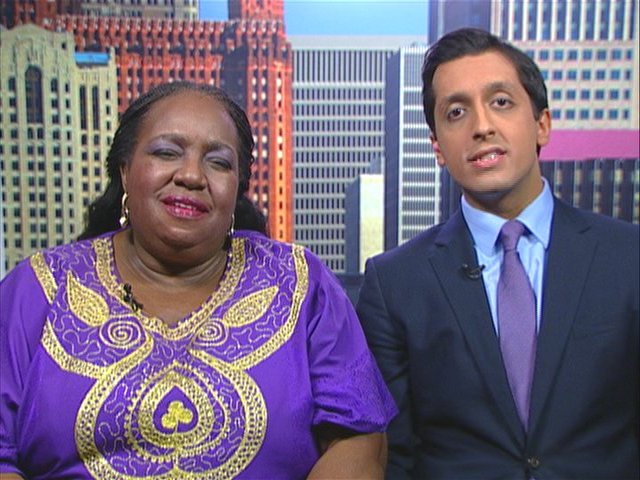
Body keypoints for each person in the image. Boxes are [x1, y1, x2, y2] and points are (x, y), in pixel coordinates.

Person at [0, 81, 397, 479]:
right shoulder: (38, 289)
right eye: (166, 152)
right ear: (125, 170)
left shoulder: (300, 284)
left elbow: (359, 439)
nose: (192, 175)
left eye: (219, 162)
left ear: (237, 189)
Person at [357, 28, 639, 479]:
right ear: (437, 148)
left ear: (542, 124)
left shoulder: (627, 257)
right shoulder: (395, 284)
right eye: (456, 112)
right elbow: (395, 457)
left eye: (501, 102)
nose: (482, 126)